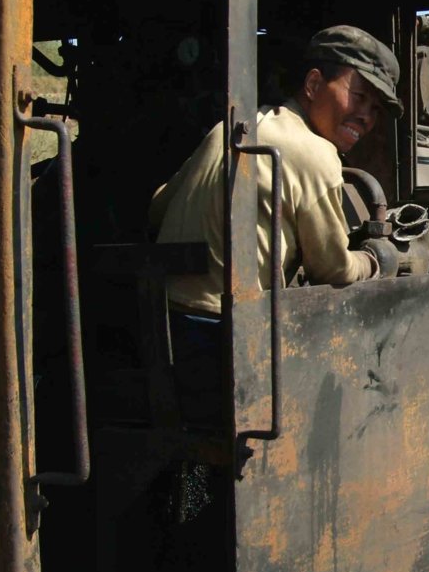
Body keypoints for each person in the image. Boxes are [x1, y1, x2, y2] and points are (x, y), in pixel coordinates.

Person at [148, 26, 402, 418]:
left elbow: (158, 206)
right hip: (222, 341)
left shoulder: (229, 129)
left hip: (163, 330)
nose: (365, 116)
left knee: (193, 449)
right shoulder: (315, 153)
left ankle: (192, 479)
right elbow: (333, 268)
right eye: (359, 96)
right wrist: (376, 258)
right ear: (314, 83)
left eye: (375, 109)